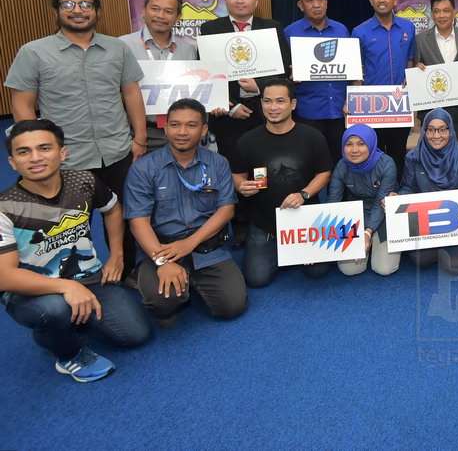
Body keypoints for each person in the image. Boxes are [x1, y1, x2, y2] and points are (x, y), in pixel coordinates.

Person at [6, 0, 148, 279]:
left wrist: (140, 138)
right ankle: (71, 277)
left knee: (124, 215)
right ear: (56, 11)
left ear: (97, 11)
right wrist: (39, 151)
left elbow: (131, 93)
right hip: (66, 157)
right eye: (68, 4)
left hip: (116, 150)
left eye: (85, 4)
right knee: (67, 224)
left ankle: (125, 271)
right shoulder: (34, 52)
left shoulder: (117, 48)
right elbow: (22, 104)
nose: (78, 11)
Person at [0, 120, 150, 383]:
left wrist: (116, 255)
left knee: (134, 335)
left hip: (88, 278)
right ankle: (67, 352)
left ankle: (73, 317)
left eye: (44, 148)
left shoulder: (84, 180)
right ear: (12, 162)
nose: (35, 158)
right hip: (33, 290)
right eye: (24, 152)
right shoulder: (5, 207)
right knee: (54, 311)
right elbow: (5, 276)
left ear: (62, 153)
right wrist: (66, 288)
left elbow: (113, 209)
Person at [124, 99, 248, 328]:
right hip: (161, 248)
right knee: (162, 301)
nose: (182, 132)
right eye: (175, 125)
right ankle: (160, 282)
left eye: (191, 125)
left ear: (203, 130)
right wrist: (162, 262)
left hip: (205, 245)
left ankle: (189, 279)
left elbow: (226, 210)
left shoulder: (218, 163)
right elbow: (137, 222)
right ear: (165, 128)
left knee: (232, 306)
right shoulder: (143, 168)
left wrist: (189, 244)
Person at [200, 0, 291, 248]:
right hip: (229, 116)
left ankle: (266, 219)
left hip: (267, 111)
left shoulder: (272, 28)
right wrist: (231, 105)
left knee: (265, 166)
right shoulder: (210, 29)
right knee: (236, 168)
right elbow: (205, 73)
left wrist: (260, 87)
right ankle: (240, 223)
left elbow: (284, 69)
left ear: (256, 0)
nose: (240, 1)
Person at [231, 79, 333, 288]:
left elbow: (324, 173)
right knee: (256, 280)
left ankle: (288, 251)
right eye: (267, 101)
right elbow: (237, 175)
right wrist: (240, 186)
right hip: (264, 222)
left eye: (280, 101)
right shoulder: (247, 140)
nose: (273, 107)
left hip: (304, 221)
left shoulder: (312, 137)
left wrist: (304, 194)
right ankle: (279, 249)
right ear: (261, 104)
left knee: (318, 271)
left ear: (293, 104)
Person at [395, 108, 458, 274]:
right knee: (420, 260)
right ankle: (438, 248)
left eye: (442, 130)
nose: (436, 135)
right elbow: (408, 187)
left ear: (450, 130)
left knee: (457, 265)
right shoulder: (414, 157)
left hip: (455, 221)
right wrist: (397, 199)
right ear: (424, 131)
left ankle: (446, 247)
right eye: (431, 130)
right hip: (426, 221)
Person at [119, 0, 199, 153]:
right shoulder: (122, 45)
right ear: (144, 9)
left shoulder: (189, 49)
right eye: (155, 9)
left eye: (169, 11)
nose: (161, 16)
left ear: (178, 17)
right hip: (138, 134)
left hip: (181, 135)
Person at [352, 0, 416, 180]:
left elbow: (410, 60)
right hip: (371, 105)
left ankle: (397, 191)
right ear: (371, 1)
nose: (382, 0)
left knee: (398, 152)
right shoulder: (359, 32)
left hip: (399, 103)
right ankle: (375, 192)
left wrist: (409, 80)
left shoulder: (408, 27)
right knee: (373, 153)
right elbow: (355, 71)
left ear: (395, 0)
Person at [283, 0, 351, 165]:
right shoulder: (289, 33)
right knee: (310, 163)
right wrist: (290, 77)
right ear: (300, 5)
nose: (316, 5)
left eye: (320, 0)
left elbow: (350, 68)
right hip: (307, 112)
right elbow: (282, 75)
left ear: (326, 2)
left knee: (340, 162)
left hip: (339, 110)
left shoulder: (341, 30)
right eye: (310, 1)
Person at [327, 124, 400, 276]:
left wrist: (367, 232)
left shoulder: (387, 164)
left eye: (361, 144)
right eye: (349, 144)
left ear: (371, 144)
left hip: (383, 213)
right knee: (349, 269)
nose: (354, 150)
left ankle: (374, 240)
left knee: (383, 269)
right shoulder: (342, 165)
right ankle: (370, 243)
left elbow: (381, 202)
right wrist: (313, 247)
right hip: (357, 213)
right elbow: (333, 201)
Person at [414, 0, 458, 144]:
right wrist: (416, 69)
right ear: (432, 15)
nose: (441, 15)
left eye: (446, 10)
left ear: (454, 12)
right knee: (431, 152)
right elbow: (415, 67)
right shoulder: (420, 40)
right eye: (437, 11)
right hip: (431, 111)